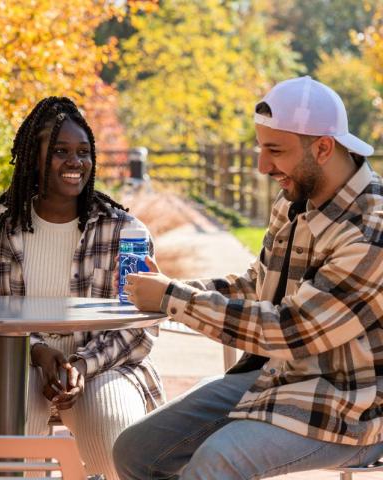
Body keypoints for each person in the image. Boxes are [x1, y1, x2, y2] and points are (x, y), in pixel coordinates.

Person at [113, 75, 383, 480]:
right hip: (279, 376)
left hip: (350, 405)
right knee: (135, 451)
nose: (262, 166)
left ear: (323, 147)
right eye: (261, 148)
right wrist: (174, 287)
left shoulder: (371, 229)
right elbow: (260, 284)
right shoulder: (296, 198)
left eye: (275, 150)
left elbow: (292, 328)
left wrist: (173, 299)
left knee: (217, 463)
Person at [0, 96, 164, 479]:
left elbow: (138, 326)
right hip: (10, 358)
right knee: (9, 420)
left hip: (104, 365)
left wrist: (80, 365)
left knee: (116, 436)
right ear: (32, 159)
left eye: (83, 152)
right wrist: (37, 351)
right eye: (60, 151)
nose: (75, 162)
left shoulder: (126, 231)